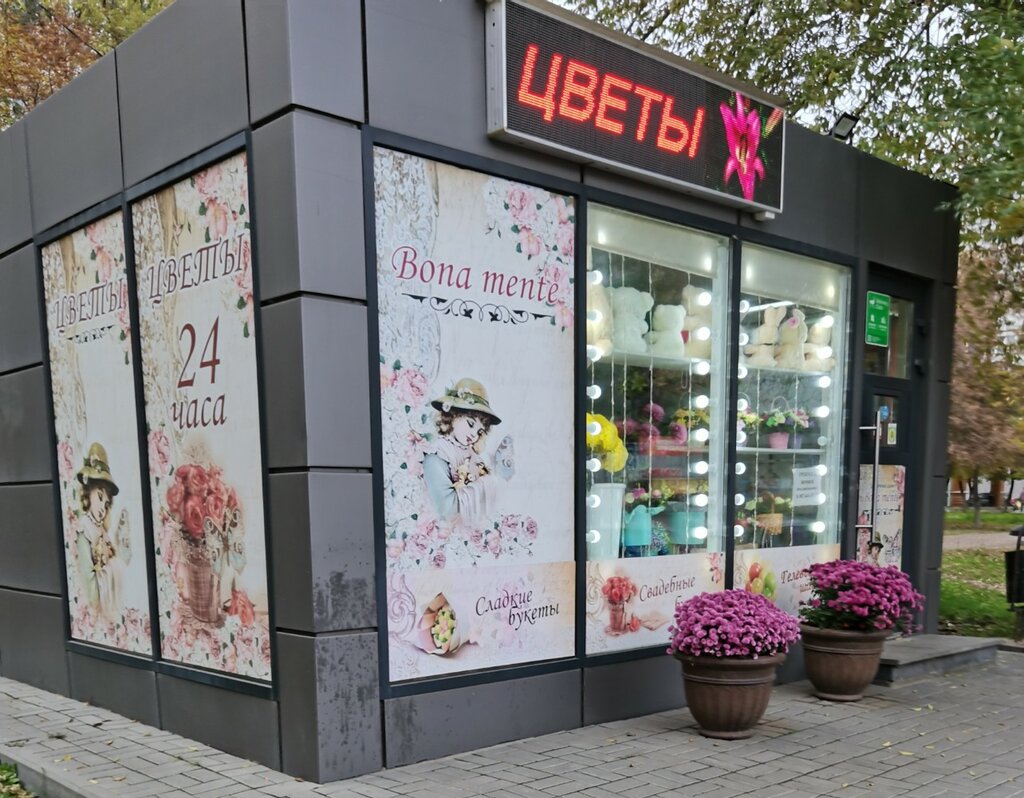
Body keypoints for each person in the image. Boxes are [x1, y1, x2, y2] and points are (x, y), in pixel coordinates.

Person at [422, 378, 514, 524]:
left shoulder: (473, 456)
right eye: (471, 424)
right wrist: (490, 483)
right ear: (453, 415)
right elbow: (447, 509)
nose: (474, 435)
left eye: (479, 431)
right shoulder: (438, 453)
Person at [76, 442, 131, 621]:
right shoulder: (84, 528)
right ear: (88, 492)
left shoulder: (100, 528)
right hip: (100, 610)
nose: (102, 508)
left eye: (106, 504)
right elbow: (89, 578)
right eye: (99, 497)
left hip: (110, 602)